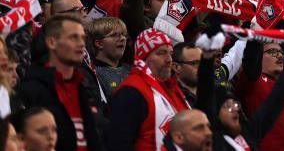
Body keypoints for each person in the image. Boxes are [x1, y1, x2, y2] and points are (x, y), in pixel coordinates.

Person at [17, 14, 102, 151]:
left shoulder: (86, 83)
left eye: (83, 38)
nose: (81, 43)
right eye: (73, 37)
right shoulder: (31, 89)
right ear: (51, 42)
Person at [106, 28, 189, 151]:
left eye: (170, 53)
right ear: (143, 58)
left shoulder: (172, 88)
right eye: (161, 53)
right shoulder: (130, 92)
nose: (169, 59)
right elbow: (118, 144)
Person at [86, 17, 129, 101]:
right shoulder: (93, 75)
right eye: (114, 35)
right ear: (99, 43)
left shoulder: (132, 70)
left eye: (123, 34)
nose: (123, 38)